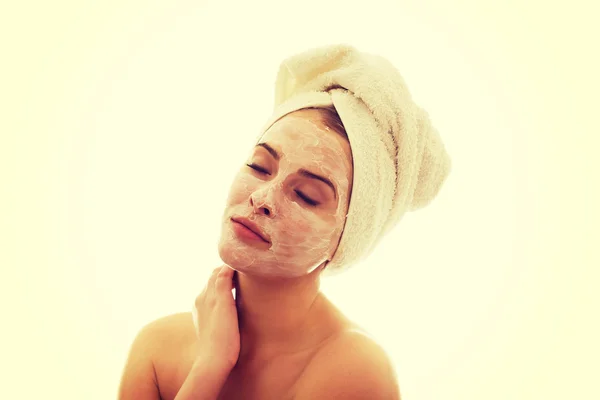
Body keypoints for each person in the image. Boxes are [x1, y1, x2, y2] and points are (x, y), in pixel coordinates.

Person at [118, 44, 451, 400]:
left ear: (347, 239)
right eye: (259, 167)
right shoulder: (156, 347)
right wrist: (210, 365)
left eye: (307, 195)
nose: (262, 198)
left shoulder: (354, 370)